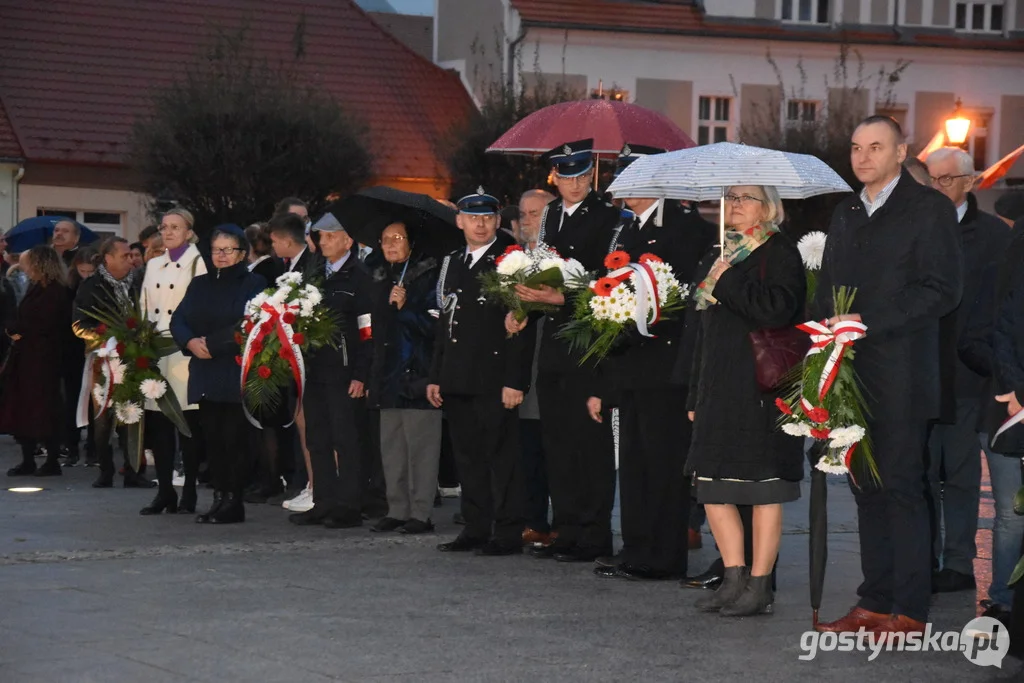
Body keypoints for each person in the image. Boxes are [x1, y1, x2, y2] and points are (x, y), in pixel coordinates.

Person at [814, 116, 963, 637]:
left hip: (901, 374)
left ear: (902, 153)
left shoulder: (928, 209)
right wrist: (819, 338)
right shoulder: (847, 211)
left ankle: (910, 609)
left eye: (875, 147)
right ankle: (873, 601)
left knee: (901, 488)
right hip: (848, 374)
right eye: (855, 147)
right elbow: (829, 283)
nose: (863, 157)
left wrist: (868, 323)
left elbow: (941, 289)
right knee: (864, 489)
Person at [682, 186, 806, 617]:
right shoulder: (720, 252)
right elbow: (703, 333)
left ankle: (759, 584)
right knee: (712, 486)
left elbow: (776, 310)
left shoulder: (780, 251)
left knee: (762, 488)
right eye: (730, 196)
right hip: (718, 387)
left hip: (760, 390)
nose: (734, 204)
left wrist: (726, 278)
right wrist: (696, 391)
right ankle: (732, 578)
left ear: (768, 205)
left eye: (746, 197)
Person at [590, 189, 716, 582]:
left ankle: (664, 554)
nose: (623, 191)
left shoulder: (687, 227)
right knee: (633, 463)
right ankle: (636, 547)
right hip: (630, 364)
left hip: (666, 366)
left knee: (663, 464)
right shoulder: (626, 231)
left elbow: (681, 298)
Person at [508, 139, 621, 563]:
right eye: (565, 176)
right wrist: (524, 308)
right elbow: (542, 273)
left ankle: (594, 534)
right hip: (554, 344)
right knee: (556, 442)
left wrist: (563, 300)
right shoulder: (551, 214)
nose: (573, 185)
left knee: (587, 445)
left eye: (580, 176)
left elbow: (607, 284)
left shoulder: (609, 217)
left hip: (589, 343)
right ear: (554, 177)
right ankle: (568, 528)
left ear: (591, 174)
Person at [924, 146, 1011, 593]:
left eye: (944, 179)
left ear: (968, 182)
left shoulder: (996, 236)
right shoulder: (915, 228)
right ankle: (919, 559)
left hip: (965, 375)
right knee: (918, 473)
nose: (935, 187)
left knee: (958, 473)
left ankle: (957, 562)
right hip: (918, 370)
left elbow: (1001, 307)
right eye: (930, 179)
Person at [428, 189, 533, 556]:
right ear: (459, 221)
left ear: (497, 221)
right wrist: (436, 375)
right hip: (458, 375)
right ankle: (475, 526)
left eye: (487, 217)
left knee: (501, 459)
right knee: (467, 458)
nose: (480, 223)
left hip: (494, 376)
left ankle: (506, 531)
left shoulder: (511, 261)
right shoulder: (452, 261)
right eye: (472, 217)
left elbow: (521, 326)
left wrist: (515, 380)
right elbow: (445, 323)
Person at [171, 225, 266, 524]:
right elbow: (179, 319)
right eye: (216, 250)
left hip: (234, 368)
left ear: (242, 253)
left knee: (234, 440)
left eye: (228, 250)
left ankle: (234, 501)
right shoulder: (199, 284)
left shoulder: (254, 283)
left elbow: (250, 322)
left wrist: (211, 344)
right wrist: (189, 341)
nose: (221, 256)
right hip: (204, 370)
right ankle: (219, 498)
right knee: (212, 440)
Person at [289, 214, 374, 529]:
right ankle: (323, 501)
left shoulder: (360, 277)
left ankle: (349, 505)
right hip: (314, 369)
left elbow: (367, 330)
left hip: (344, 370)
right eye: (319, 236)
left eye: (328, 236)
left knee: (346, 439)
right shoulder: (313, 274)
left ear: (347, 240)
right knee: (317, 438)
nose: (321, 242)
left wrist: (361, 373)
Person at [368, 222, 441, 534]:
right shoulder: (379, 275)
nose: (390, 244)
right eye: (385, 239)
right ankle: (397, 508)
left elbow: (435, 325)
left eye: (397, 238)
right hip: (387, 375)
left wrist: (406, 305)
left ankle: (421, 513)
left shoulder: (430, 275)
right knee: (392, 447)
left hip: (418, 372)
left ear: (411, 242)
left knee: (420, 449)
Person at [138, 208, 208, 515]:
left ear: (189, 232)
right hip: (156, 353)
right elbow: (144, 306)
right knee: (158, 426)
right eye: (164, 227)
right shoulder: (154, 264)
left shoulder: (198, 262)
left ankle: (190, 489)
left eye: (175, 227)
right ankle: (164, 490)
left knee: (187, 425)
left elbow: (202, 306)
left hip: (183, 352)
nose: (168, 232)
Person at [72, 237, 152, 488]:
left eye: (131, 255)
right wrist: (107, 337)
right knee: (103, 417)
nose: (131, 259)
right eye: (124, 255)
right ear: (108, 258)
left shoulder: (137, 283)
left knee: (132, 414)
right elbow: (78, 325)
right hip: (104, 359)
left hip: (133, 357)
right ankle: (105, 469)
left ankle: (132, 470)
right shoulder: (91, 286)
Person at [0, 246, 72, 477]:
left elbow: (46, 323)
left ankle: (51, 459)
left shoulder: (55, 291)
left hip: (43, 359)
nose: (24, 268)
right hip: (28, 357)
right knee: (25, 408)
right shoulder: (36, 288)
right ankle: (28, 458)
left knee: (43, 408)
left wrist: (17, 329)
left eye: (27, 263)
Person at [514, 189, 555, 545]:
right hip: (515, 369)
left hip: (548, 366)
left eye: (536, 214)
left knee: (549, 450)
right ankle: (532, 517)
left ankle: (549, 521)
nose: (528, 221)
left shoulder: (559, 258)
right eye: (524, 214)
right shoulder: (512, 258)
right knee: (526, 450)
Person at [242, 222, 294, 503]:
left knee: (265, 421)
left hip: (265, 352)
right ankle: (268, 476)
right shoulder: (270, 269)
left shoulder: (263, 272)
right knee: (264, 421)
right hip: (265, 351)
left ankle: (271, 478)